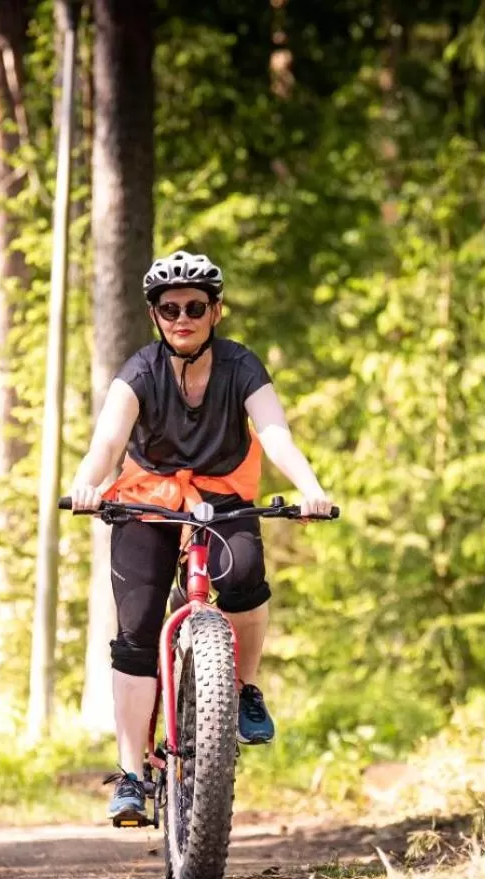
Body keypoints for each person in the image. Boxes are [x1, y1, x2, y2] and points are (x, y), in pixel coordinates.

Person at [67, 250, 333, 823]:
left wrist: (310, 488)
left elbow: (276, 434)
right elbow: (107, 445)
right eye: (169, 309)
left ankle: (241, 690)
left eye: (194, 307)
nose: (181, 318)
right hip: (147, 501)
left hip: (223, 499)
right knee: (136, 632)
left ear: (216, 310)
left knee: (243, 577)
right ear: (154, 315)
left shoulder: (242, 367)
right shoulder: (138, 371)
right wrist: (86, 485)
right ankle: (132, 776)